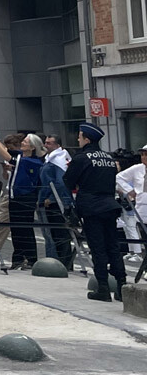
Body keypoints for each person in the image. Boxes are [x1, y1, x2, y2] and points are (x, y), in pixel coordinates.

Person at [65, 123, 128, 302]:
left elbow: (69, 181)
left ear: (86, 138)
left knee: (98, 248)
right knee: (113, 246)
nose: (78, 139)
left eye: (79, 136)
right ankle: (122, 286)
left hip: (91, 207)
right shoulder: (108, 158)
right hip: (110, 206)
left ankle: (103, 288)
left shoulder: (82, 158)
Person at [0, 130, 44, 269]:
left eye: (26, 142)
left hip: (25, 197)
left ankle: (31, 259)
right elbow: (10, 154)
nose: (22, 143)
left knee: (25, 229)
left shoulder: (30, 161)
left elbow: (9, 157)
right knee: (16, 229)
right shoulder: (22, 157)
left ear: (32, 147)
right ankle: (18, 258)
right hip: (15, 196)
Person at [38, 134, 74, 267]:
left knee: (58, 233)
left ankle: (61, 262)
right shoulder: (51, 158)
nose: (46, 145)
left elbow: (60, 181)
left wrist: (52, 198)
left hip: (56, 202)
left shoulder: (58, 160)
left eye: (49, 143)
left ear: (57, 145)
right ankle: (59, 260)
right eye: (45, 143)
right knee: (54, 233)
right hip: (51, 198)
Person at [115, 144, 147, 258]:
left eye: (146, 154)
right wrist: (130, 191)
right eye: (142, 155)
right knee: (144, 238)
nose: (143, 157)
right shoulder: (137, 168)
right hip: (141, 210)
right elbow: (119, 177)